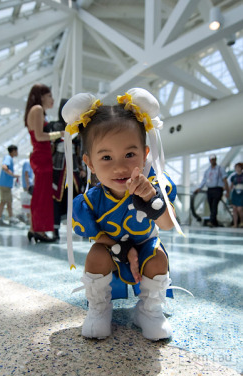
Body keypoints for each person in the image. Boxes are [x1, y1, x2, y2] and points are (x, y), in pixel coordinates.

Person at [62, 88, 182, 341]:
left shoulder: (155, 187)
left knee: (160, 258)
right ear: (90, 163)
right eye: (106, 157)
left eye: (130, 154)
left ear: (145, 154)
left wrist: (151, 198)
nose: (119, 166)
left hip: (147, 247)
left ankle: (149, 311)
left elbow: (168, 225)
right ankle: (99, 309)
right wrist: (123, 250)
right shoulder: (90, 202)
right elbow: (97, 237)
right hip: (113, 249)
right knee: (95, 254)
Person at [24, 83, 64, 243]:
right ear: (40, 96)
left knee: (40, 195)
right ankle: (38, 231)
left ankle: (35, 229)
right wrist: (60, 134)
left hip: (41, 156)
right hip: (42, 157)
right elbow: (40, 136)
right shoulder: (38, 109)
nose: (52, 99)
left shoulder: (34, 111)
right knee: (42, 196)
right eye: (49, 96)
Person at [47, 99, 87, 240]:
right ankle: (55, 230)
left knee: (78, 197)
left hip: (74, 167)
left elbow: (80, 149)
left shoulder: (78, 127)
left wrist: (82, 167)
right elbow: (47, 144)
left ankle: (83, 228)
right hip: (57, 167)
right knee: (57, 197)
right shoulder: (54, 126)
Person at [194, 154, 229, 227]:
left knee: (214, 205)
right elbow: (204, 180)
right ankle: (214, 222)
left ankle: (212, 221)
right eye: (211, 159)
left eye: (214, 159)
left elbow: (225, 179)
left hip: (218, 189)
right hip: (210, 190)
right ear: (210, 160)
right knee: (211, 205)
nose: (213, 161)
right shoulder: (207, 171)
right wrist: (199, 188)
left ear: (216, 159)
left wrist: (227, 190)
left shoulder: (220, 169)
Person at [0, 145, 20, 225]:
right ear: (13, 151)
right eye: (16, 151)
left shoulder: (9, 159)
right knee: (4, 201)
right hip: (4, 184)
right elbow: (4, 167)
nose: (17, 153)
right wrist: (13, 175)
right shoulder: (8, 158)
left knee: (8, 201)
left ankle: (10, 217)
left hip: (6, 185)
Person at [229, 162, 243, 228]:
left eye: (239, 167)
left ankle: (241, 221)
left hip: (241, 193)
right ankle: (235, 224)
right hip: (235, 193)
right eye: (236, 167)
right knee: (234, 209)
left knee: (239, 209)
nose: (237, 169)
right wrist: (228, 193)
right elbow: (231, 186)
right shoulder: (233, 177)